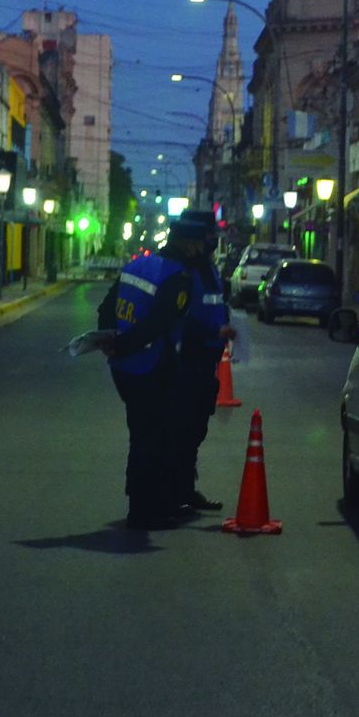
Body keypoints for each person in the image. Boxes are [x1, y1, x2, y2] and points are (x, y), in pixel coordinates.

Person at [96, 225, 201, 530]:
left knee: (140, 434)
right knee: (152, 438)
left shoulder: (137, 265)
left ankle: (142, 504)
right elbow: (159, 324)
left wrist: (110, 341)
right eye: (197, 245)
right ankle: (144, 509)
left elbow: (106, 308)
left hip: (124, 368)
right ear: (187, 245)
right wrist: (123, 344)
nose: (199, 252)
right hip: (151, 368)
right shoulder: (177, 278)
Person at [172, 209, 238, 513]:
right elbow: (180, 317)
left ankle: (185, 488)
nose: (213, 239)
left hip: (208, 358)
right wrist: (215, 329)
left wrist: (226, 325)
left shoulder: (207, 267)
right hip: (187, 359)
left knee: (196, 428)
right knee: (181, 428)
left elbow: (215, 303)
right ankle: (173, 491)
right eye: (208, 235)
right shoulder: (181, 269)